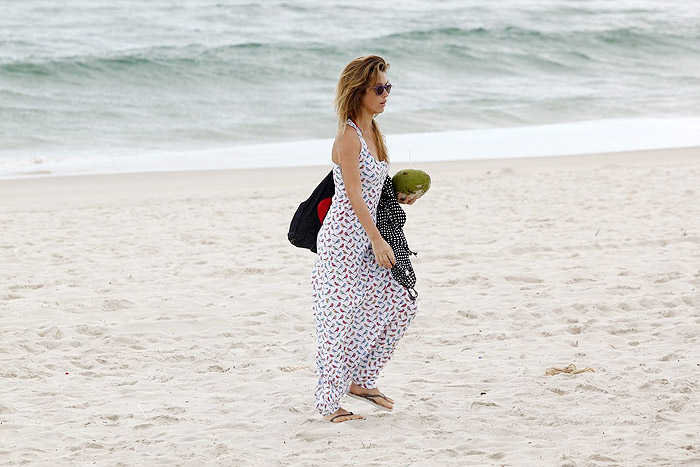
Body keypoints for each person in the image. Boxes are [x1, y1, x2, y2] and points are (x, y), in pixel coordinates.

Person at [311, 55, 421, 423]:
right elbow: (354, 195)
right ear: (359, 91)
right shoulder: (348, 136)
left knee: (400, 304)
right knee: (338, 320)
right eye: (380, 88)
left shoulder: (374, 132)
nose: (387, 93)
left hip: (369, 237)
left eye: (389, 87)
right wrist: (377, 240)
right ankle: (329, 405)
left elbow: (374, 191)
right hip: (343, 241)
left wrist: (399, 197)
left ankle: (360, 380)